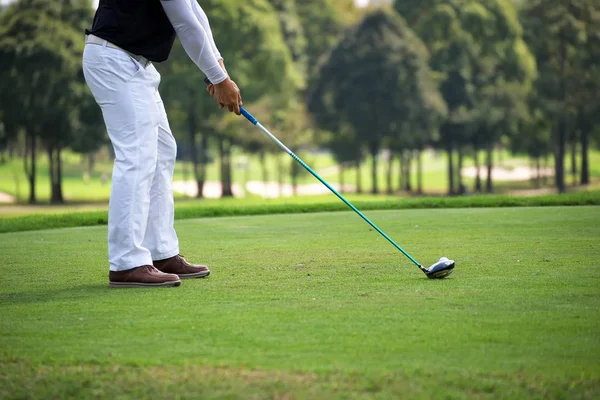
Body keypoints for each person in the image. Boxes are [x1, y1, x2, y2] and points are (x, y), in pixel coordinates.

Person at [82, 0, 242, 288]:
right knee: (137, 157)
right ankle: (126, 262)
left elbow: (194, 13)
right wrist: (220, 79)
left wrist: (218, 70)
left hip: (138, 64)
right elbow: (184, 23)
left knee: (162, 152)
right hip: (114, 60)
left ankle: (160, 252)